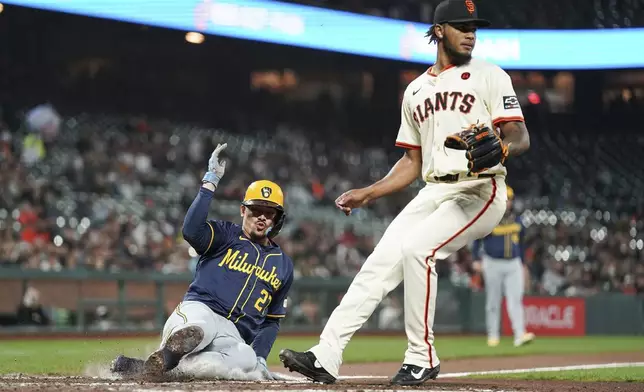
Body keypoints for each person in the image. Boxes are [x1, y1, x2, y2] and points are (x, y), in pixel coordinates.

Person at [278, 0, 530, 386]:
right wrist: (369, 192)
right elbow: (412, 162)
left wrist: (504, 146)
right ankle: (325, 355)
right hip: (433, 190)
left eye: (475, 27)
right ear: (440, 30)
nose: (471, 33)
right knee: (378, 265)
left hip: (479, 189)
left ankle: (421, 357)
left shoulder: (490, 75)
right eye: (463, 26)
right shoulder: (414, 90)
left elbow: (519, 134)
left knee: (418, 251)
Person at [110, 143, 294, 381]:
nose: (261, 216)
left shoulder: (283, 265)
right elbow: (191, 231)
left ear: (277, 220)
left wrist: (259, 358)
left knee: (245, 360)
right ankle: (168, 355)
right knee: (199, 331)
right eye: (255, 209)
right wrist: (210, 183)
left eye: (269, 212)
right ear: (242, 211)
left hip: (233, 336)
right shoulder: (225, 234)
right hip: (200, 311)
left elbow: (271, 322)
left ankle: (146, 368)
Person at [472, 186, 535, 348]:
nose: (508, 203)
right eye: (505, 199)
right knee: (493, 301)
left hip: (513, 263)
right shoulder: (489, 218)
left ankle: (519, 334)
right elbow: (476, 239)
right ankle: (493, 335)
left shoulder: (518, 220)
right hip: (492, 262)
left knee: (516, 300)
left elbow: (521, 244)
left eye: (510, 199)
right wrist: (476, 259)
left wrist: (522, 264)